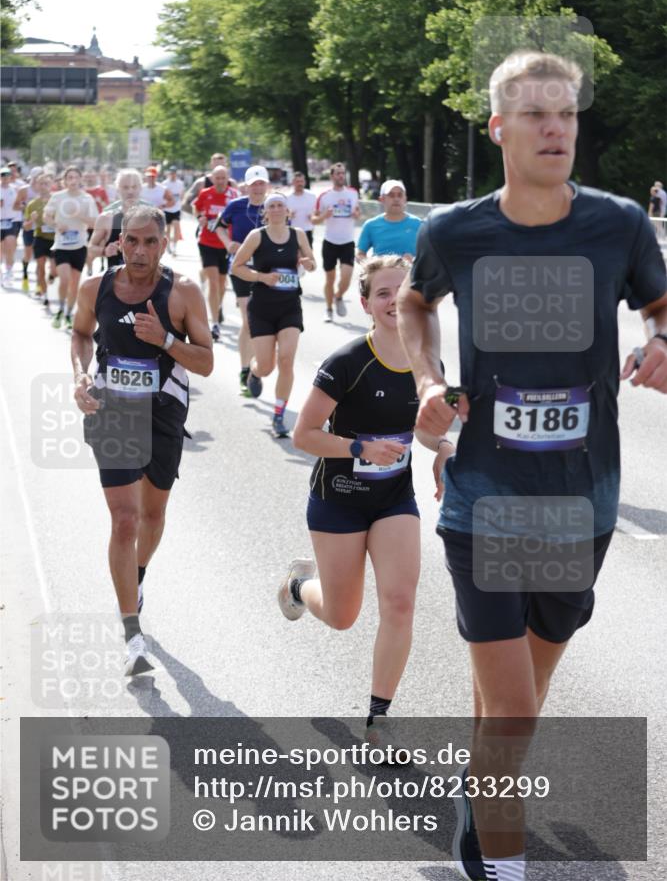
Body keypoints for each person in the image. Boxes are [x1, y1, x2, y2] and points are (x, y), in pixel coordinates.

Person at [397, 50, 667, 881]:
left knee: (518, 702)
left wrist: (659, 337)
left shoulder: (618, 224)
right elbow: (412, 302)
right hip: (482, 497)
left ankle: (481, 801)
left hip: (582, 503)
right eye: (535, 114)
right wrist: (429, 380)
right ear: (499, 128)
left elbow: (658, 302)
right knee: (512, 712)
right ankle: (500, 862)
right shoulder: (457, 231)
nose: (556, 128)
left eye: (567, 114)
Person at [278, 256, 453, 734]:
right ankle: (298, 586)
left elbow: (427, 430)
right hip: (338, 498)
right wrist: (358, 447)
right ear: (366, 305)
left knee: (400, 602)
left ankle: (379, 718)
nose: (395, 300)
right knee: (341, 616)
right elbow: (304, 435)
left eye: (405, 292)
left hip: (394, 500)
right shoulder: (347, 363)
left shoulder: (429, 363)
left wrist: (443, 447)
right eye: (383, 293)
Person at [71, 204, 213, 675]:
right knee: (126, 519)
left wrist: (166, 342)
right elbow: (79, 334)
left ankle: (137, 577)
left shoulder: (184, 293)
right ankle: (132, 634)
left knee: (153, 513)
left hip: (164, 413)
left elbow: (207, 363)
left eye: (150, 241)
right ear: (119, 242)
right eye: (131, 240)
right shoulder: (97, 287)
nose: (139, 250)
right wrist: (80, 377)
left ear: (164, 243)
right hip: (112, 411)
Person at [231, 192, 316, 436]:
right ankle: (254, 373)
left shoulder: (298, 234)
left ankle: (279, 415)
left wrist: (309, 264)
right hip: (263, 308)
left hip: (289, 305)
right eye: (272, 206)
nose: (277, 209)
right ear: (265, 212)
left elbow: (311, 261)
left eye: (281, 205)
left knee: (287, 360)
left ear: (288, 211)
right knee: (267, 366)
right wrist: (261, 277)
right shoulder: (256, 236)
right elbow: (237, 267)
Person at [214, 165, 270, 394]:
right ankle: (246, 370)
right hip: (239, 268)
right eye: (253, 184)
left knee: (261, 321)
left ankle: (256, 365)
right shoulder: (235, 206)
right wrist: (229, 245)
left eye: (261, 183)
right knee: (249, 321)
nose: (257, 188)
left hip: (266, 271)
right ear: (246, 186)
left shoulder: (274, 206)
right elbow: (218, 227)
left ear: (266, 185)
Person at [43, 166, 98, 329]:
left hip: (80, 245)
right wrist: (56, 225)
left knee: (75, 283)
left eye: (76, 177)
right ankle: (60, 309)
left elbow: (95, 222)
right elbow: (46, 216)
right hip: (61, 245)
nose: (73, 180)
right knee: (65, 280)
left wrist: (79, 215)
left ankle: (68, 313)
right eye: (70, 177)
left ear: (80, 180)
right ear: (65, 181)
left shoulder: (87, 198)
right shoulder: (57, 197)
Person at [193, 165, 238, 339]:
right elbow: (196, 208)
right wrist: (200, 218)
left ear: (228, 178)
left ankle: (216, 309)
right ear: (212, 178)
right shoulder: (205, 193)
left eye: (223, 178)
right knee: (213, 283)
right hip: (207, 242)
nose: (220, 181)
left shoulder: (233, 195)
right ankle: (214, 323)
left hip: (226, 245)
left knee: (221, 283)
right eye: (217, 178)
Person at [311, 162, 360, 322]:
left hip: (347, 242)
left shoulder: (352, 193)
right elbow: (314, 219)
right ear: (332, 176)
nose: (341, 176)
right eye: (337, 173)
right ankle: (328, 308)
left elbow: (358, 213)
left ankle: (338, 296)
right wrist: (324, 216)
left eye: (342, 173)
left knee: (346, 278)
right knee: (330, 279)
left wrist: (356, 214)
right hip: (330, 242)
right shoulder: (324, 196)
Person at [89, 169, 144, 270]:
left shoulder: (152, 217)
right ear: (118, 189)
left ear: (140, 188)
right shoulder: (106, 218)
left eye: (134, 187)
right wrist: (105, 251)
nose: (130, 191)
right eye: (125, 187)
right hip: (116, 282)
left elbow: (161, 248)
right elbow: (91, 248)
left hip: (145, 282)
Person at [356, 179, 422, 261]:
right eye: (391, 195)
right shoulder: (370, 225)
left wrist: (414, 260)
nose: (396, 199)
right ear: (381, 199)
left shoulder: (419, 224)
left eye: (400, 195)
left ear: (405, 199)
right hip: (381, 273)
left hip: (410, 273)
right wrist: (373, 265)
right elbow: (360, 254)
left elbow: (430, 253)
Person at [25, 172, 56, 307]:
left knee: (54, 270)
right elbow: (25, 227)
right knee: (40, 267)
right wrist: (31, 220)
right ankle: (45, 295)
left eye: (46, 184)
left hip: (56, 240)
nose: (43, 186)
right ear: (37, 186)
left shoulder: (58, 200)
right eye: (41, 184)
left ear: (51, 185)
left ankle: (51, 277)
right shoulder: (32, 204)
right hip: (40, 238)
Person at [14, 166, 43, 292]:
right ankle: (25, 275)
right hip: (29, 225)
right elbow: (15, 206)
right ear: (33, 177)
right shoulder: (24, 190)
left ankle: (38, 283)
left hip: (42, 228)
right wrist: (26, 207)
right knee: (28, 253)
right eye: (37, 176)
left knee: (40, 257)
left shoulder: (47, 190)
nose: (39, 179)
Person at [285, 171, 316, 249]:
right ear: (293, 182)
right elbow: (283, 217)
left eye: (301, 181)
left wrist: (313, 216)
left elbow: (317, 213)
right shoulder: (287, 198)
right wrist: (289, 216)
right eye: (297, 181)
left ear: (305, 182)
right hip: (292, 231)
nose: (300, 184)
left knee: (307, 257)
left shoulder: (312, 196)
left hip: (307, 231)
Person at [0, 167, 18, 287]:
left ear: (11, 177)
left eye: (7, 176)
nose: (5, 178)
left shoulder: (15, 190)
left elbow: (19, 204)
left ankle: (9, 271)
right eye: (3, 175)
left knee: (10, 245)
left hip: (11, 221)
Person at [162, 166, 185, 254]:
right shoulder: (165, 183)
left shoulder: (180, 183)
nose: (173, 175)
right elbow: (163, 195)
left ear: (176, 174)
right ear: (169, 174)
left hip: (176, 209)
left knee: (176, 226)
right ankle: (168, 246)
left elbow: (182, 194)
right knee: (168, 229)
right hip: (167, 209)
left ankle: (175, 246)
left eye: (174, 173)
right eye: (171, 173)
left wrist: (180, 202)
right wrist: (169, 200)